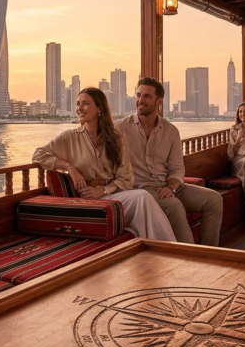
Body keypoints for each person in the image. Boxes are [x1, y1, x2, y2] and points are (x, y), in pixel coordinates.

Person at [32, 87, 176, 242]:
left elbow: (126, 178)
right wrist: (69, 167)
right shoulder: (70, 137)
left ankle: (164, 249)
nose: (79, 108)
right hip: (88, 200)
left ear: (99, 108)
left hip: (113, 194)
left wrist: (102, 190)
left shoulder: (116, 138)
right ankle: (163, 248)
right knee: (143, 199)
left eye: (85, 104)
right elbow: (38, 155)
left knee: (142, 197)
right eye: (78, 104)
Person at [117, 78, 225, 246]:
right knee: (173, 206)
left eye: (146, 96)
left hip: (167, 185)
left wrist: (171, 188)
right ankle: (190, 259)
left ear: (159, 101)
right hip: (140, 189)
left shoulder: (171, 131)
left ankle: (209, 253)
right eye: (138, 95)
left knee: (214, 199)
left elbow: (176, 169)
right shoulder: (119, 128)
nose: (140, 100)